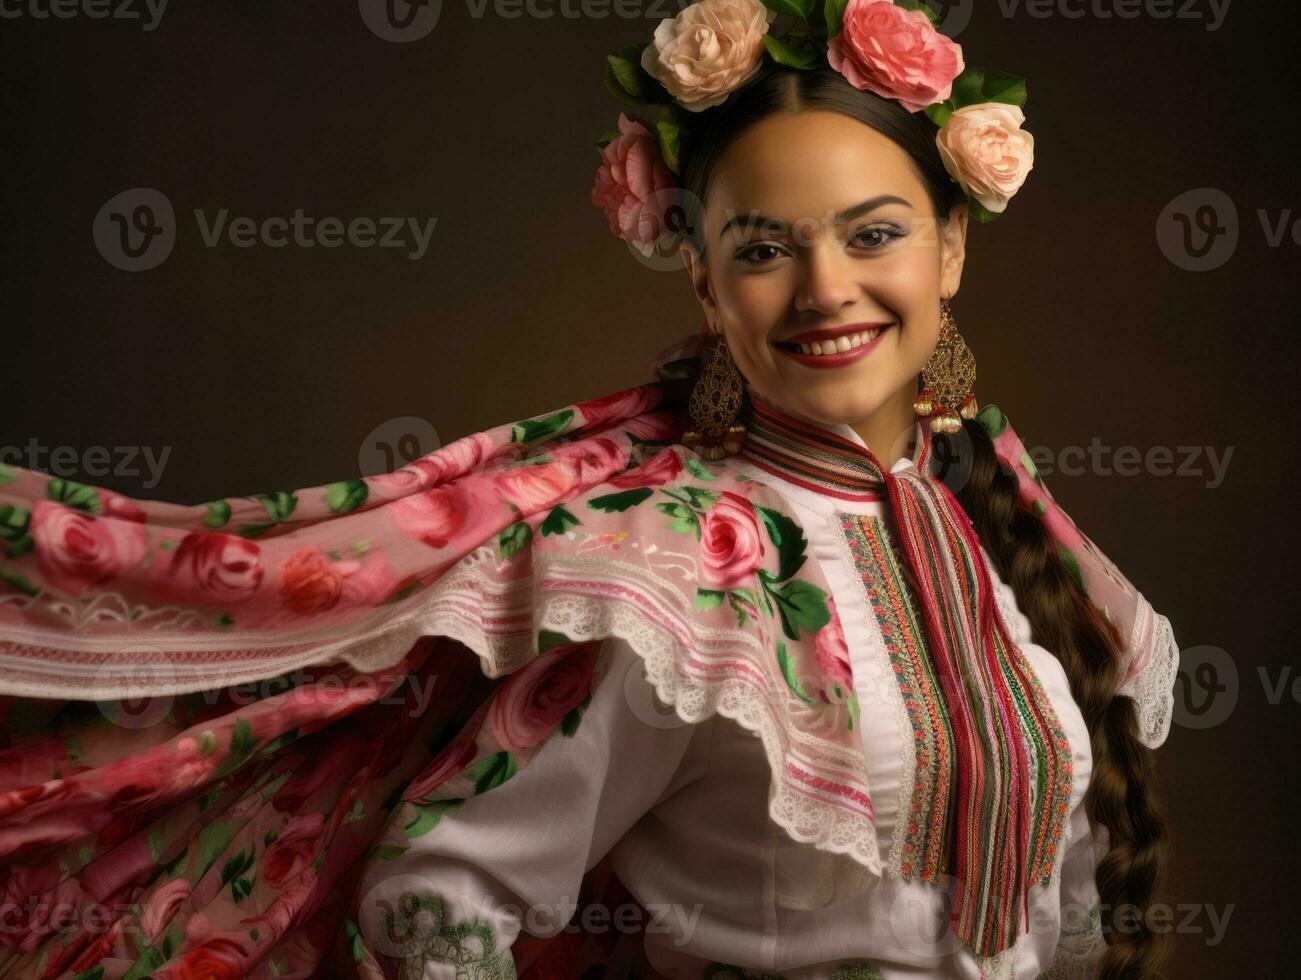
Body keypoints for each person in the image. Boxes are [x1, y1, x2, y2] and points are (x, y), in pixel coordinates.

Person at [0, 2, 1178, 978]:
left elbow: (1067, 914)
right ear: (708, 287)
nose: (828, 290)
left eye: (874, 235)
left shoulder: (1008, 529)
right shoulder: (663, 571)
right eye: (764, 250)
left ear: (950, 247)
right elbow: (435, 896)